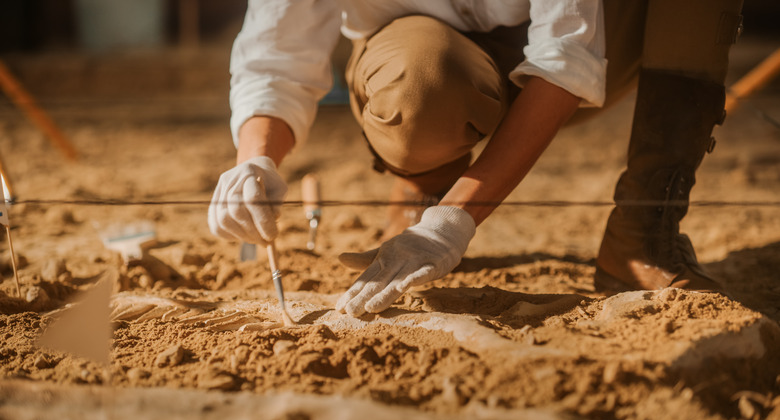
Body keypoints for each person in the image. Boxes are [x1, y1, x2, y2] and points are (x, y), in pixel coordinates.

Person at [208, 1, 744, 317]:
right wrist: (256, 160)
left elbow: (566, 59)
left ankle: (644, 226)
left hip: (592, 52)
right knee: (421, 82)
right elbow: (276, 57)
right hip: (424, 59)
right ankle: (425, 180)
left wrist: (453, 221)